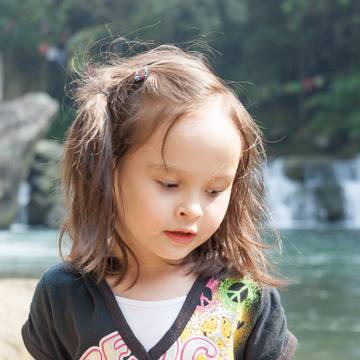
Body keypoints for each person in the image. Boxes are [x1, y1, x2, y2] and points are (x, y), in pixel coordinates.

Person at [22, 42, 297, 360]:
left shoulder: (244, 297)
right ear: (107, 172)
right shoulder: (64, 296)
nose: (192, 209)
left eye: (214, 191)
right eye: (169, 184)